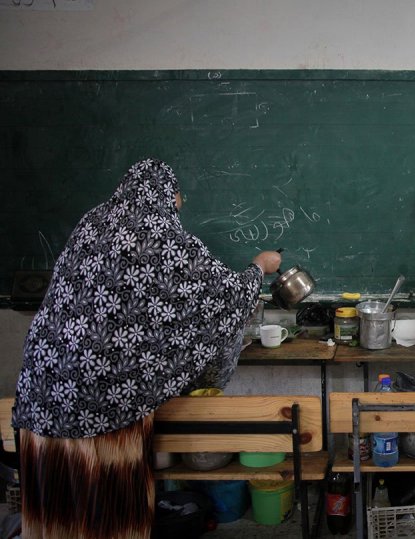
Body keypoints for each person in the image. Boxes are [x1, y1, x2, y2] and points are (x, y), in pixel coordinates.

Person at [11, 159, 282, 539]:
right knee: (107, 512)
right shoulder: (164, 238)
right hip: (105, 404)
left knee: (58, 511)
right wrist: (258, 267)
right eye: (177, 198)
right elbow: (221, 298)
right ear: (169, 196)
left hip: (44, 389)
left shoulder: (91, 224)